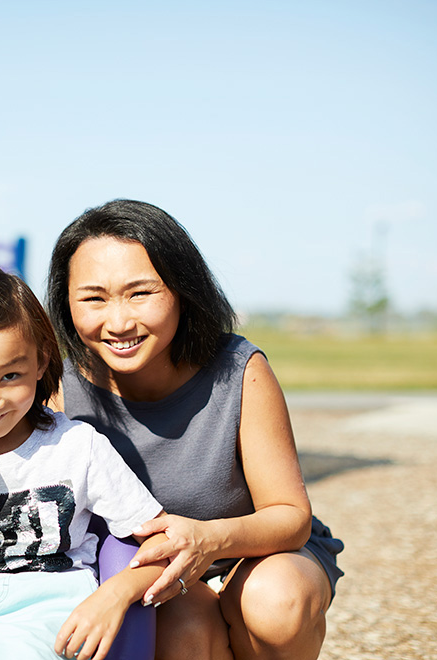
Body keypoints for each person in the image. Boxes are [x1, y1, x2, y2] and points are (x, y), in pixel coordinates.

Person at [46, 199, 345, 660]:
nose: (119, 321)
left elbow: (290, 515)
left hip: (256, 555)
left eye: (140, 293)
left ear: (182, 292)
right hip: (151, 574)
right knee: (182, 625)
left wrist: (210, 539)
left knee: (276, 603)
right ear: (66, 303)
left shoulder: (239, 369)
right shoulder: (57, 390)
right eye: (94, 298)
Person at [0, 265, 168, 660]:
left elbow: (161, 539)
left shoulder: (77, 446)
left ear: (41, 363)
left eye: (10, 376)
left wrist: (115, 592)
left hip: (51, 613)